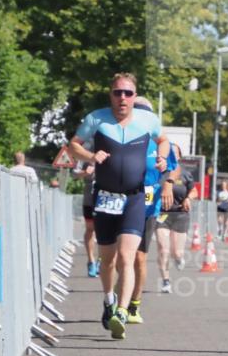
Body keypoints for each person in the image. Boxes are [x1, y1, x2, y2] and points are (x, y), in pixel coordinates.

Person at [69, 73, 168, 339]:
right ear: (111, 95)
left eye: (128, 93)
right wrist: (91, 155)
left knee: (127, 257)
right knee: (108, 260)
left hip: (135, 198)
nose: (122, 98)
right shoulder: (96, 119)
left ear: (134, 96)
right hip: (105, 197)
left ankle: (122, 312)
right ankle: (109, 300)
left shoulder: (148, 120)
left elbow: (164, 140)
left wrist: (162, 157)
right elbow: (73, 146)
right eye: (117, 93)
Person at [125, 96, 177, 325]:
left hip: (148, 205)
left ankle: (133, 305)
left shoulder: (160, 141)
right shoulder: (122, 136)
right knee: (119, 256)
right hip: (122, 202)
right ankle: (117, 299)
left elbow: (174, 168)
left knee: (138, 257)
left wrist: (168, 184)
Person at [156, 144, 196, 293]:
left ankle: (179, 258)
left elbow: (194, 191)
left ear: (179, 156)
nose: (171, 155)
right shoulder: (158, 172)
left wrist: (188, 199)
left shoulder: (185, 174)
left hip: (180, 214)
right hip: (162, 214)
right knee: (163, 249)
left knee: (177, 253)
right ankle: (166, 281)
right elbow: (148, 191)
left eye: (174, 153)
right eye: (169, 153)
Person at [74, 162, 99, 277]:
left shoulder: (111, 152)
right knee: (90, 229)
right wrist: (85, 172)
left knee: (105, 231)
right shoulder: (84, 155)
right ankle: (91, 261)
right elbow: (75, 174)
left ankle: (102, 260)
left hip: (106, 198)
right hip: (89, 199)